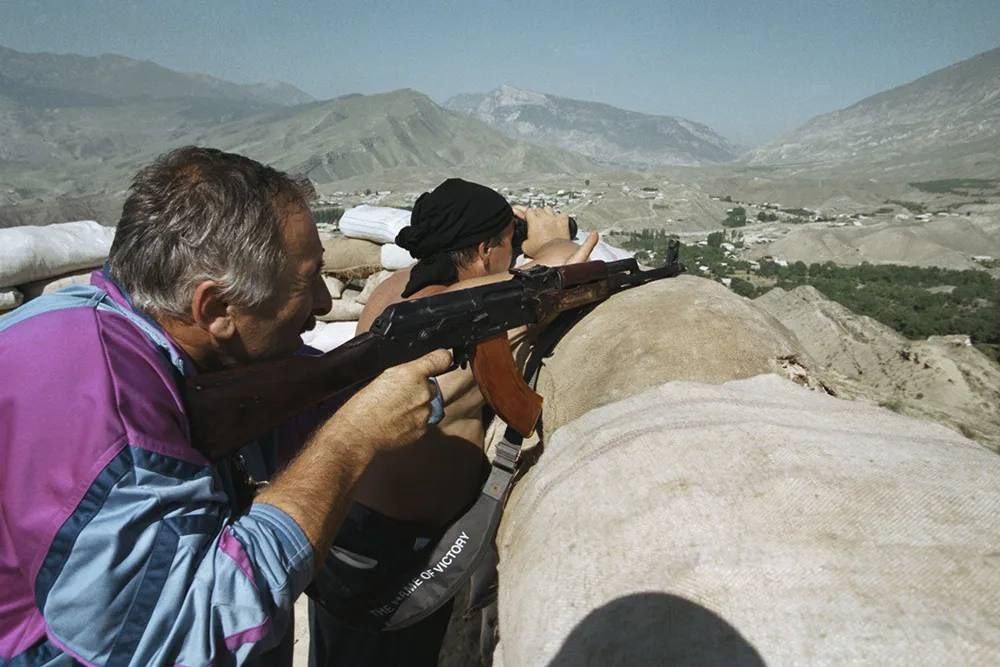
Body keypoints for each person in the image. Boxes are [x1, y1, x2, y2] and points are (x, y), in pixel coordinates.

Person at [0, 146, 452, 665]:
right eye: (306, 282)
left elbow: (301, 397)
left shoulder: (159, 348)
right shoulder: (98, 399)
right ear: (215, 308)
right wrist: (353, 438)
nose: (324, 304)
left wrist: (382, 383)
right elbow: (180, 638)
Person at [307, 178, 598, 666]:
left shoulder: (396, 290)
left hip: (358, 523)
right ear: (484, 250)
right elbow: (565, 268)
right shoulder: (462, 309)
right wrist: (549, 240)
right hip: (401, 550)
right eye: (505, 243)